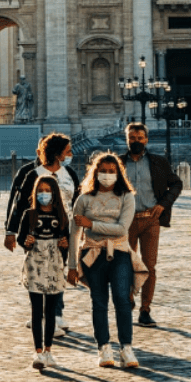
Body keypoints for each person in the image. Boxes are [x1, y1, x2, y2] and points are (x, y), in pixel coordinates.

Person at [67, 151, 140, 369]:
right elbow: (74, 234)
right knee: (98, 302)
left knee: (122, 300)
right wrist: (71, 265)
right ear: (95, 173)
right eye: (103, 171)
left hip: (119, 253)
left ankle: (126, 347)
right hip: (92, 254)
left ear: (119, 174)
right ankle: (103, 347)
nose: (107, 175)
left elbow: (121, 229)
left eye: (111, 171)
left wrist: (91, 224)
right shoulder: (84, 199)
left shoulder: (127, 197)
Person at [5, 132, 80, 335]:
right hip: (37, 232)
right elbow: (19, 205)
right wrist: (11, 231)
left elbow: (79, 203)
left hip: (64, 231)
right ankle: (44, 317)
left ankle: (55, 315)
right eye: (67, 151)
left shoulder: (70, 174)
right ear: (57, 154)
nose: (70, 154)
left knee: (57, 272)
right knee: (39, 273)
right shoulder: (33, 175)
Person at [120, 122, 183, 327]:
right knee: (125, 265)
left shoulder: (158, 162)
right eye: (132, 138)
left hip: (150, 220)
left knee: (149, 266)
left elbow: (176, 183)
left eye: (139, 138)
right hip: (125, 222)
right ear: (127, 139)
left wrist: (163, 205)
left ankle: (145, 308)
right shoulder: (118, 163)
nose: (136, 141)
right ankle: (128, 298)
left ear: (146, 140)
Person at [18, 175, 70, 370]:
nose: (44, 194)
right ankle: (38, 352)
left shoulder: (61, 215)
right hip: (35, 264)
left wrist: (64, 246)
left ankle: (49, 350)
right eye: (40, 191)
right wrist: (26, 242)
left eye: (48, 191)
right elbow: (22, 240)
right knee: (36, 309)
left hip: (54, 263)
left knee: (50, 311)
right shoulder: (29, 215)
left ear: (54, 193)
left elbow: (66, 241)